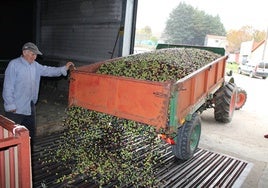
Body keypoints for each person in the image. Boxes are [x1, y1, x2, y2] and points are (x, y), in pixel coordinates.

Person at [2, 42, 74, 143]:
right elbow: (8, 86)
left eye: (36, 55)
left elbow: (48, 71)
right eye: (33, 54)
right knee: (15, 136)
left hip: (30, 106)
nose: (35, 57)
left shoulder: (35, 66)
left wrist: (64, 68)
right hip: (16, 108)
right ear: (24, 53)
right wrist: (10, 105)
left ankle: (29, 152)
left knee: (30, 134)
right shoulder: (14, 65)